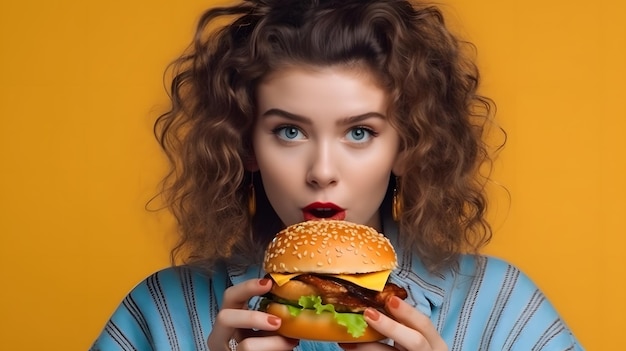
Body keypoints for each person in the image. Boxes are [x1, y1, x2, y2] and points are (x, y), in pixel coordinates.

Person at [90, 0, 583, 350]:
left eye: (360, 133)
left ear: (408, 145)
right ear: (245, 145)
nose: (323, 172)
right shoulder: (159, 313)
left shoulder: (501, 307)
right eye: (289, 131)